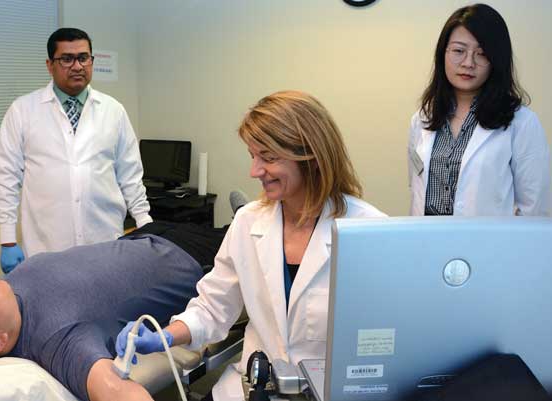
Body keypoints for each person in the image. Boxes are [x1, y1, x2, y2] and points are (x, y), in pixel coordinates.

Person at [116, 90, 386, 401]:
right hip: (250, 388)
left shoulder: (367, 231)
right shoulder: (247, 222)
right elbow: (213, 309)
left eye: (268, 158)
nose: (254, 171)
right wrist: (163, 336)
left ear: (310, 155)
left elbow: (381, 343)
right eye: (252, 156)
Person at [0, 222, 228, 401]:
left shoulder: (5, 292)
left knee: (245, 220)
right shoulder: (58, 342)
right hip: (193, 260)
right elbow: (117, 393)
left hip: (150, 235)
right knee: (260, 229)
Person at [0, 27, 152, 273]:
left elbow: (130, 175)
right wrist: (8, 238)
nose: (77, 66)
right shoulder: (23, 110)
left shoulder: (113, 110)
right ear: (50, 65)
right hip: (46, 246)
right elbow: (6, 177)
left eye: (83, 57)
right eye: (66, 59)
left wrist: (145, 225)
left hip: (105, 242)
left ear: (92, 61)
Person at [408, 3, 551, 216]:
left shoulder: (521, 123)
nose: (468, 63)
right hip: (427, 243)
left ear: (496, 61)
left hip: (490, 247)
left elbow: (535, 208)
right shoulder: (422, 119)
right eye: (459, 51)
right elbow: (416, 190)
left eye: (482, 54)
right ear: (443, 53)